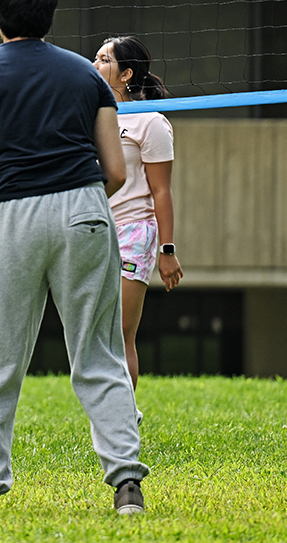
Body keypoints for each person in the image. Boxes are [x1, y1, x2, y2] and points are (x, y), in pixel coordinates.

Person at [0, 0, 147, 515]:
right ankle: (127, 483)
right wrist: (76, 200)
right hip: (85, 208)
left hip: (11, 216)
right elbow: (117, 171)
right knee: (99, 351)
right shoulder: (88, 76)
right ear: (51, 16)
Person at [93, 35, 182, 390]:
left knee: (120, 333)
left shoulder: (150, 122)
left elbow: (161, 191)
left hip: (133, 230)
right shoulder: (91, 115)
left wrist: (168, 250)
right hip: (94, 228)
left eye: (104, 59)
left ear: (126, 73)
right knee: (97, 332)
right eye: (96, 57)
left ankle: (124, 417)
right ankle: (111, 414)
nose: (95, 64)